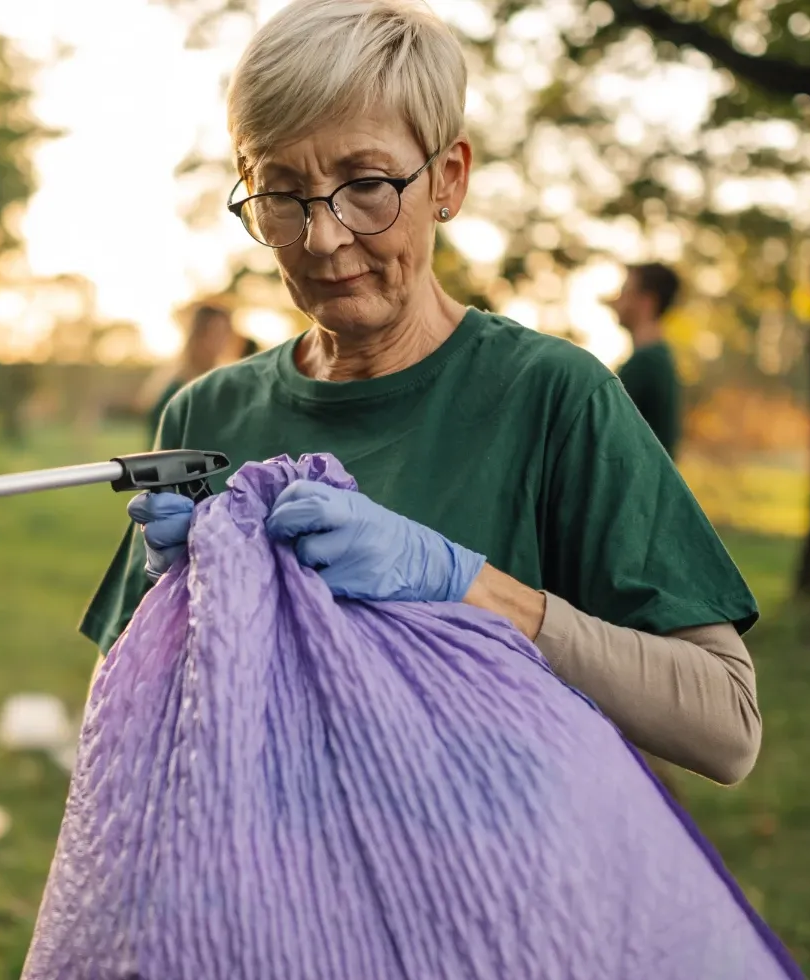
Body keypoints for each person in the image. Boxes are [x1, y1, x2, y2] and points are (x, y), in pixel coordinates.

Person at [83, 0, 763, 787]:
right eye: (280, 192)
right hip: (259, 890)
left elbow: (726, 725)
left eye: (365, 184)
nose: (324, 237)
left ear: (448, 179)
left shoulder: (551, 397)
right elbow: (126, 724)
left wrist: (461, 583)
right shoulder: (204, 414)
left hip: (486, 888)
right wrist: (175, 616)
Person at [143, 301, 246, 442]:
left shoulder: (230, 384)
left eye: (224, 333)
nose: (220, 342)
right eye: (214, 333)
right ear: (196, 335)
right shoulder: (176, 389)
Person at [610, 262, 684, 459]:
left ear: (646, 301)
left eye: (625, 292)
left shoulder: (646, 364)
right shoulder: (657, 358)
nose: (617, 300)